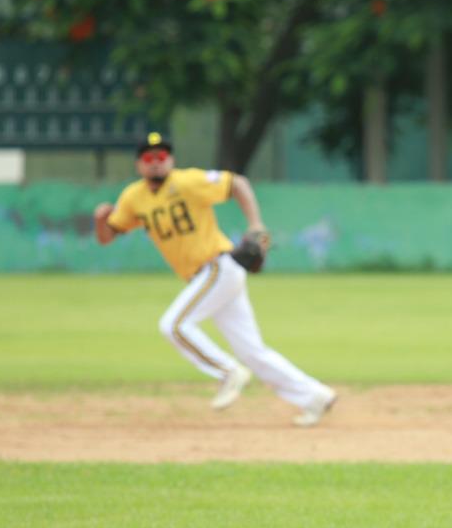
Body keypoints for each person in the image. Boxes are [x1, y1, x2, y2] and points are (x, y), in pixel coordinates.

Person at [92, 132, 337, 426]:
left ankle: (227, 371)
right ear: (139, 164)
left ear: (171, 160)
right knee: (252, 351)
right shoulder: (134, 197)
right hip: (207, 279)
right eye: (148, 157)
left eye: (161, 156)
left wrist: (256, 224)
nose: (155, 162)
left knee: (174, 325)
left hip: (218, 268)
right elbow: (107, 237)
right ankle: (315, 396)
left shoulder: (187, 181)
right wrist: (100, 220)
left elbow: (238, 183)